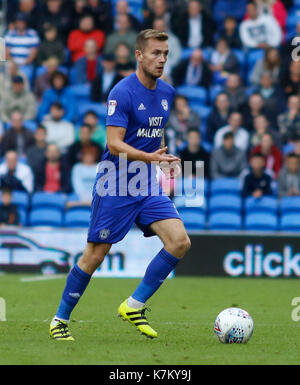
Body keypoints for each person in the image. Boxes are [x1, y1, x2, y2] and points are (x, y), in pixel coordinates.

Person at [49, 29, 190, 341]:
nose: (162, 59)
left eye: (165, 53)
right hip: (116, 182)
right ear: (138, 55)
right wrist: (151, 159)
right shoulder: (122, 92)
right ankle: (59, 319)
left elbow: (157, 135)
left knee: (179, 241)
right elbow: (114, 144)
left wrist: (162, 159)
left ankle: (134, 304)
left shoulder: (166, 92)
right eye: (155, 53)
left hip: (146, 182)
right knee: (95, 255)